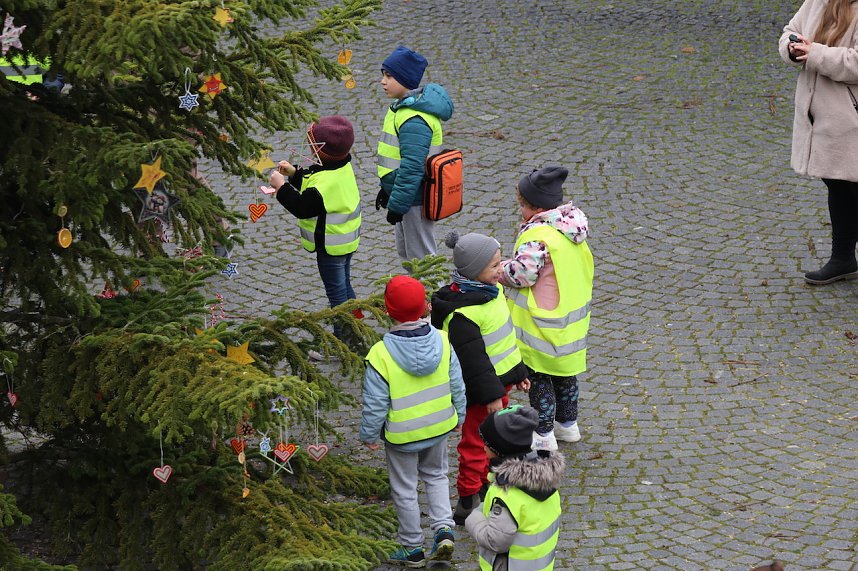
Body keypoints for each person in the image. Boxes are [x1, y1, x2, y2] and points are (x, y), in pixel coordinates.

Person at [360, 275, 467, 567]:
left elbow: (375, 402)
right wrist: (460, 415)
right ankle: (444, 528)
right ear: (427, 307)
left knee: (405, 489)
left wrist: (369, 435)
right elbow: (457, 384)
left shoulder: (381, 355)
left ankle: (412, 548)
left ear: (386, 311)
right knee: (436, 475)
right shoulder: (444, 342)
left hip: (402, 436)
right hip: (438, 425)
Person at [430, 231, 530, 525]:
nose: (503, 270)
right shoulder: (464, 314)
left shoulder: (491, 292)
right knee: (476, 441)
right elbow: (474, 363)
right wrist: (491, 396)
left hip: (499, 385)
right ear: (474, 272)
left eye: (501, 262)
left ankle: (487, 482)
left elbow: (503, 340)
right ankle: (468, 498)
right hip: (483, 393)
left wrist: (520, 372)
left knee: (494, 439)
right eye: (495, 266)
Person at [499, 166, 593, 451]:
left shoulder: (539, 236)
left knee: (539, 379)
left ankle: (543, 435)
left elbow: (522, 276)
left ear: (536, 206)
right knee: (565, 376)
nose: (521, 212)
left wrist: (500, 268)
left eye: (523, 206)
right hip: (571, 322)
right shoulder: (570, 228)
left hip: (541, 324)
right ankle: (569, 426)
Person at [780, 0, 858, 285]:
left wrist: (815, 53)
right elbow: (791, 29)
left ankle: (844, 258)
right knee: (838, 181)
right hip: (822, 116)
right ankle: (843, 258)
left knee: (850, 185)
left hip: (851, 116)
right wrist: (792, 47)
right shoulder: (818, 1)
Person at [268, 115, 363, 338]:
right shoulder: (339, 167)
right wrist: (294, 174)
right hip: (345, 242)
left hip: (330, 247)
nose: (309, 149)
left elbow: (303, 206)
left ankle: (344, 341)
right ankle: (357, 325)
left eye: (312, 146)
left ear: (321, 151)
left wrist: (281, 187)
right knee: (345, 287)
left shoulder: (324, 183)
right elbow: (315, 180)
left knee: (337, 297)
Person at [375, 45, 454, 262]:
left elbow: (412, 167)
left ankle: (431, 295)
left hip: (414, 200)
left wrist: (398, 204)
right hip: (405, 196)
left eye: (389, 76)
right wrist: (389, 189)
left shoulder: (414, 120)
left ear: (406, 79)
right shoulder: (401, 108)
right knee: (409, 256)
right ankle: (416, 296)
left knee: (422, 259)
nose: (383, 81)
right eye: (383, 75)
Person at [465, 405, 564, 571]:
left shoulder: (507, 494)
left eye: (487, 444)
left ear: (500, 450)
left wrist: (473, 517)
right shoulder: (547, 480)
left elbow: (494, 541)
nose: (483, 447)